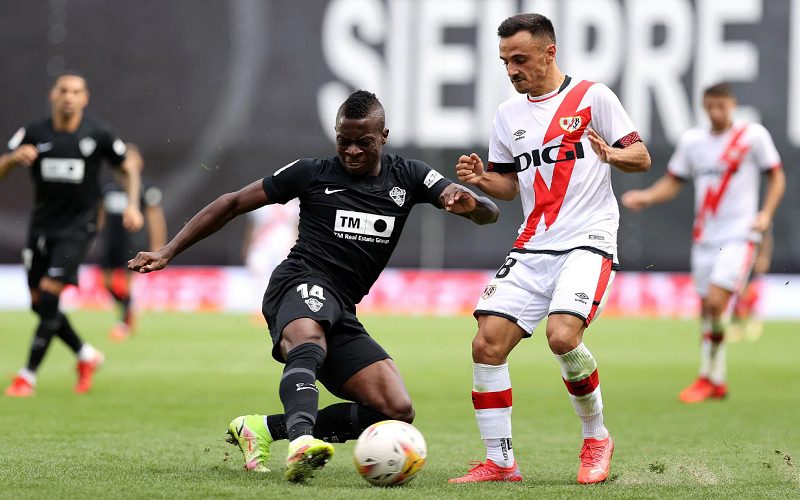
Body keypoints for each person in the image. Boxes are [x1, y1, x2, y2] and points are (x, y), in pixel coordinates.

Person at [127, 90, 499, 482]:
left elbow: (488, 213)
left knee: (394, 410)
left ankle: (261, 429)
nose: (352, 151)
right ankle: (302, 442)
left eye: (363, 142)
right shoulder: (311, 173)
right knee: (308, 340)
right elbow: (233, 203)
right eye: (343, 141)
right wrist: (167, 251)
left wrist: (472, 203)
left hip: (340, 307)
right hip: (299, 281)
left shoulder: (410, 175)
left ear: (383, 136)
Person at [450, 14, 651, 485]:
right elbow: (508, 185)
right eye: (505, 61)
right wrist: (482, 180)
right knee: (486, 344)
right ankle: (501, 462)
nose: (512, 70)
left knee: (562, 336)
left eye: (520, 59)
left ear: (549, 52)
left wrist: (611, 154)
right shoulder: (508, 115)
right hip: (534, 244)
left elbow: (640, 157)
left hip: (587, 241)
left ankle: (597, 437)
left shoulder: (593, 97)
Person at [621, 83, 785, 403]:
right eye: (710, 106)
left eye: (721, 106)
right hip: (705, 237)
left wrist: (765, 214)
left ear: (732, 104)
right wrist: (646, 197)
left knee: (714, 304)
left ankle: (705, 377)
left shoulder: (752, 136)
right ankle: (717, 379)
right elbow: (674, 181)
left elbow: (776, 175)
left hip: (740, 235)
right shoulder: (693, 141)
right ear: (703, 106)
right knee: (709, 310)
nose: (716, 112)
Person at [1, 72, 143, 397]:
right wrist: (12, 159)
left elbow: (127, 167)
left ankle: (27, 377)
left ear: (85, 98)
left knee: (50, 296)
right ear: (53, 95)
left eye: (76, 91)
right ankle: (86, 354)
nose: (69, 96)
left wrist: (133, 205)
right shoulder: (33, 132)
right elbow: (2, 169)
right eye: (63, 90)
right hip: (41, 227)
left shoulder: (98, 133)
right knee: (39, 304)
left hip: (78, 229)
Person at [97, 143, 167, 341]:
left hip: (133, 240)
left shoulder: (146, 186)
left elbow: (155, 217)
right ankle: (128, 308)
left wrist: (158, 245)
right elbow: (101, 212)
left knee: (127, 283)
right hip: (111, 239)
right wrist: (95, 234)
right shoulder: (107, 185)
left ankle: (124, 323)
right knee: (107, 282)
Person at [241, 199, 300, 323]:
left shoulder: (294, 202)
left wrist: (296, 244)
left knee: (283, 276)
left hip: (284, 244)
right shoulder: (261, 201)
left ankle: (282, 308)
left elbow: (296, 225)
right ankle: (259, 309)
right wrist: (248, 244)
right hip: (262, 243)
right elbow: (253, 225)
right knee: (258, 274)